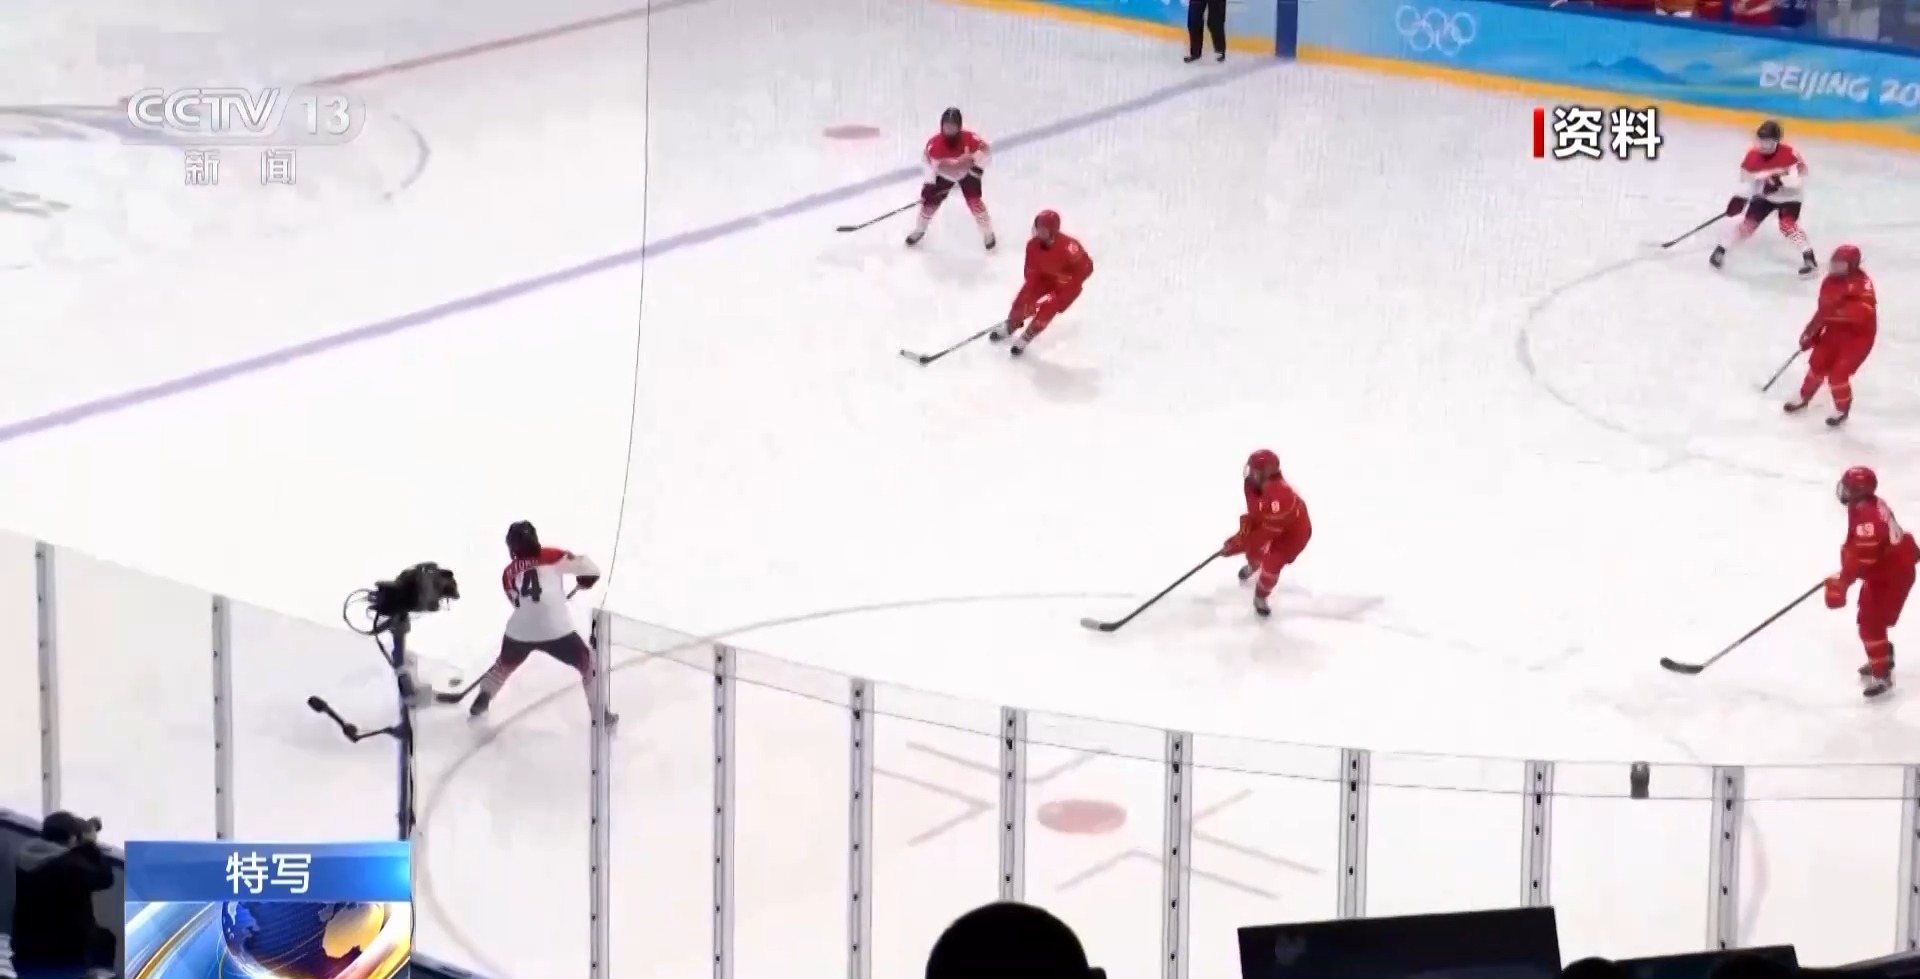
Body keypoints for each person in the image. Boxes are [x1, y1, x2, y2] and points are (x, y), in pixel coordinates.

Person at [471, 520, 618, 725]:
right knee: (588, 664)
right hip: (556, 631)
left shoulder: (508, 572)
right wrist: (585, 580)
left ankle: (483, 698)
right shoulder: (553, 555)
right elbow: (592, 570)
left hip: (519, 631)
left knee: (502, 666)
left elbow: (516, 602)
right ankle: (600, 715)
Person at [1826, 466, 1917, 699]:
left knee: (1871, 624)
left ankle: (1882, 674)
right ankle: (1883, 654)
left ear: (1859, 491)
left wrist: (1842, 582)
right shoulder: (1865, 504)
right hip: (1885, 571)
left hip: (1892, 576)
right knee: (1867, 618)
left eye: (1848, 488)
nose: (1844, 491)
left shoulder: (1867, 516)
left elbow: (1863, 556)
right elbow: (1861, 551)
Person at [11, 811, 116, 979]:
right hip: (62, 960)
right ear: (72, 838)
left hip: (27, 955)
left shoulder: (26, 855)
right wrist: (90, 844)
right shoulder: (69, 866)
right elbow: (105, 878)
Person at [1709, 119, 1817, 276]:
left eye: (1769, 142)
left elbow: (1801, 178)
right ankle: (1721, 249)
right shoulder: (1751, 156)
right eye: (1761, 141)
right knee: (1747, 225)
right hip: (1764, 197)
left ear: (1777, 141)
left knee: (1787, 225)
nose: (1764, 146)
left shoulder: (1790, 154)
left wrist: (1780, 181)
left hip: (1790, 197)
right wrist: (1740, 198)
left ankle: (1809, 258)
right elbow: (1747, 180)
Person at [1785, 243, 1876, 426]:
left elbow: (1861, 313)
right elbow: (1823, 310)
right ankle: (1804, 396)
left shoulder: (1862, 284)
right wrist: (1811, 332)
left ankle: (1842, 408)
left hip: (1857, 338)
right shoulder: (1829, 282)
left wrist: (1836, 311)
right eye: (1834, 263)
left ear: (1852, 265)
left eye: (1840, 264)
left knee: (1838, 375)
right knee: (1817, 364)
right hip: (1833, 332)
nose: (1835, 267)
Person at [1223, 449, 1312, 617]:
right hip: (1271, 522)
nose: (1250, 474)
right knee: (1254, 549)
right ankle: (1253, 565)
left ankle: (1260, 597)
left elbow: (1262, 535)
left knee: (1272, 564)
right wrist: (1239, 539)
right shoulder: (1253, 485)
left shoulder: (1280, 497)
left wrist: (1235, 545)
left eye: (1255, 471)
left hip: (1293, 535)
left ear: (1266, 473)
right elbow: (1255, 515)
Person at [991, 210, 1092, 356]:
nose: (1039, 233)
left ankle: (1027, 336)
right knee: (1022, 299)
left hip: (1066, 285)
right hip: (1044, 279)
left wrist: (1068, 282)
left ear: (1053, 231)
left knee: (1048, 308)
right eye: (1038, 228)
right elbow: (1031, 273)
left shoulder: (1069, 246)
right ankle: (1011, 324)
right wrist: (1029, 300)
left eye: (1043, 230)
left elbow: (1087, 268)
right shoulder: (1032, 245)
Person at [907, 107, 995, 250]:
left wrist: (976, 167)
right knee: (929, 206)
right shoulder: (934, 145)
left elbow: (986, 150)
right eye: (946, 126)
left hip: (968, 174)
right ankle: (920, 229)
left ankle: (988, 233)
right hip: (943, 175)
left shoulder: (971, 139)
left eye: (953, 126)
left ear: (959, 127)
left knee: (975, 203)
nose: (949, 129)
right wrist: (930, 184)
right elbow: (927, 164)